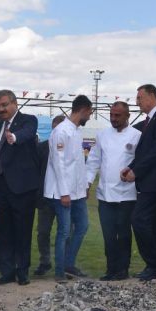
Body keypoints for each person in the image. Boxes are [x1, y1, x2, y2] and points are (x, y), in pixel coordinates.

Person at [121, 84, 156, 282]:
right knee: (155, 225)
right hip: (152, 182)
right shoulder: (152, 120)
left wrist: (136, 170)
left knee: (140, 220)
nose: (137, 102)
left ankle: (154, 263)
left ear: (152, 96)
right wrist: (131, 166)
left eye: (140, 97)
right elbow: (146, 151)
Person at [0, 89, 41, 286]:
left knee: (23, 231)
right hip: (0, 187)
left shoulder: (28, 120)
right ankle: (7, 271)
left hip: (22, 188)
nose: (1, 109)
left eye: (4, 105)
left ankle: (22, 271)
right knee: (4, 232)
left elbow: (27, 134)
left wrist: (14, 137)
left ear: (14, 103)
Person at [86, 101, 141, 281]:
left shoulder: (137, 135)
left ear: (127, 116)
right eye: (111, 115)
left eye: (118, 115)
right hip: (105, 194)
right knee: (109, 235)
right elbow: (94, 160)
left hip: (127, 195)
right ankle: (111, 269)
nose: (113, 119)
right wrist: (87, 182)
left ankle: (123, 269)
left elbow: (140, 163)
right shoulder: (102, 135)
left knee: (124, 234)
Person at [44, 95, 93, 282]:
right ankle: (59, 271)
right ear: (83, 110)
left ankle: (69, 264)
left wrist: (84, 186)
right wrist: (65, 192)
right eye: (89, 113)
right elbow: (59, 164)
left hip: (77, 191)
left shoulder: (76, 131)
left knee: (82, 226)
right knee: (64, 230)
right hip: (62, 191)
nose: (89, 117)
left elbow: (77, 164)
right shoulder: (61, 131)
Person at [34, 115, 64, 276]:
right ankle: (45, 261)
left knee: (64, 231)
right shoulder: (42, 148)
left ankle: (63, 262)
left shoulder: (69, 147)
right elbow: (36, 172)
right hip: (45, 197)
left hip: (64, 197)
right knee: (43, 231)